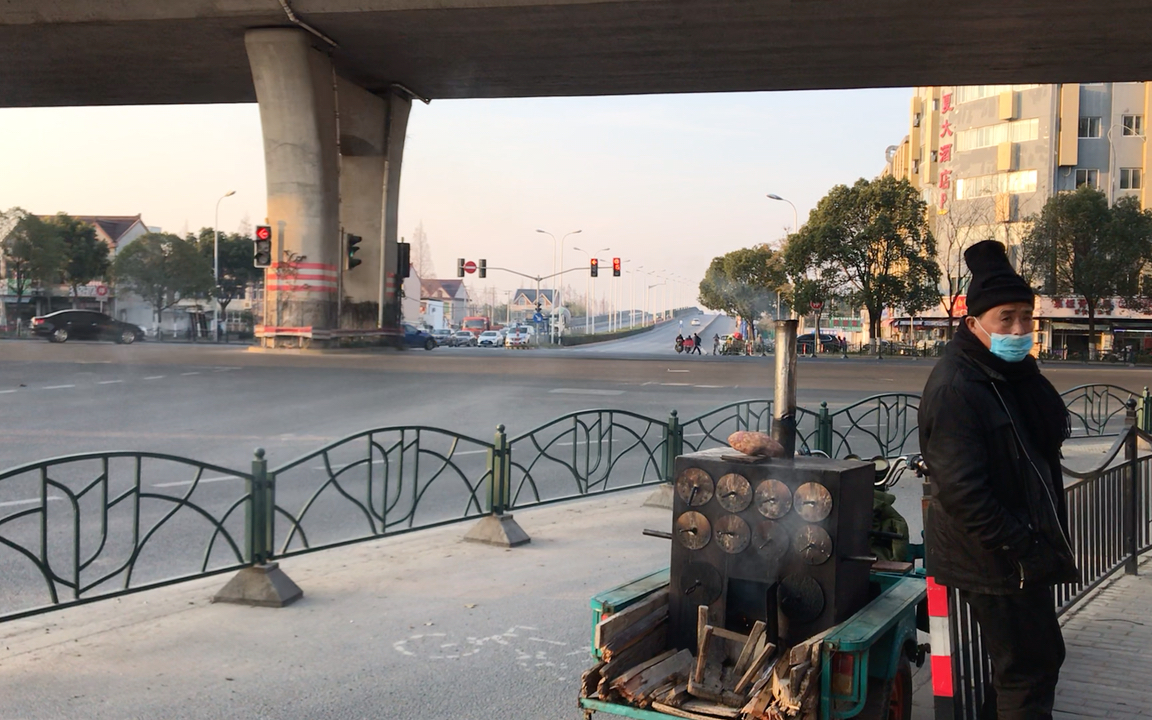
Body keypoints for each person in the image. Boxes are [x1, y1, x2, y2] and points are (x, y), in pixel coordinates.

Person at [919, 240, 1076, 720]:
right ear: (974, 324)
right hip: (995, 557)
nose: (1019, 329)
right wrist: (1024, 545)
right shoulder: (957, 385)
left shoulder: (1011, 372)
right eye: (1005, 319)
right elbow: (964, 492)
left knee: (1027, 664)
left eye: (1026, 317)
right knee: (1028, 670)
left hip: (1015, 552)